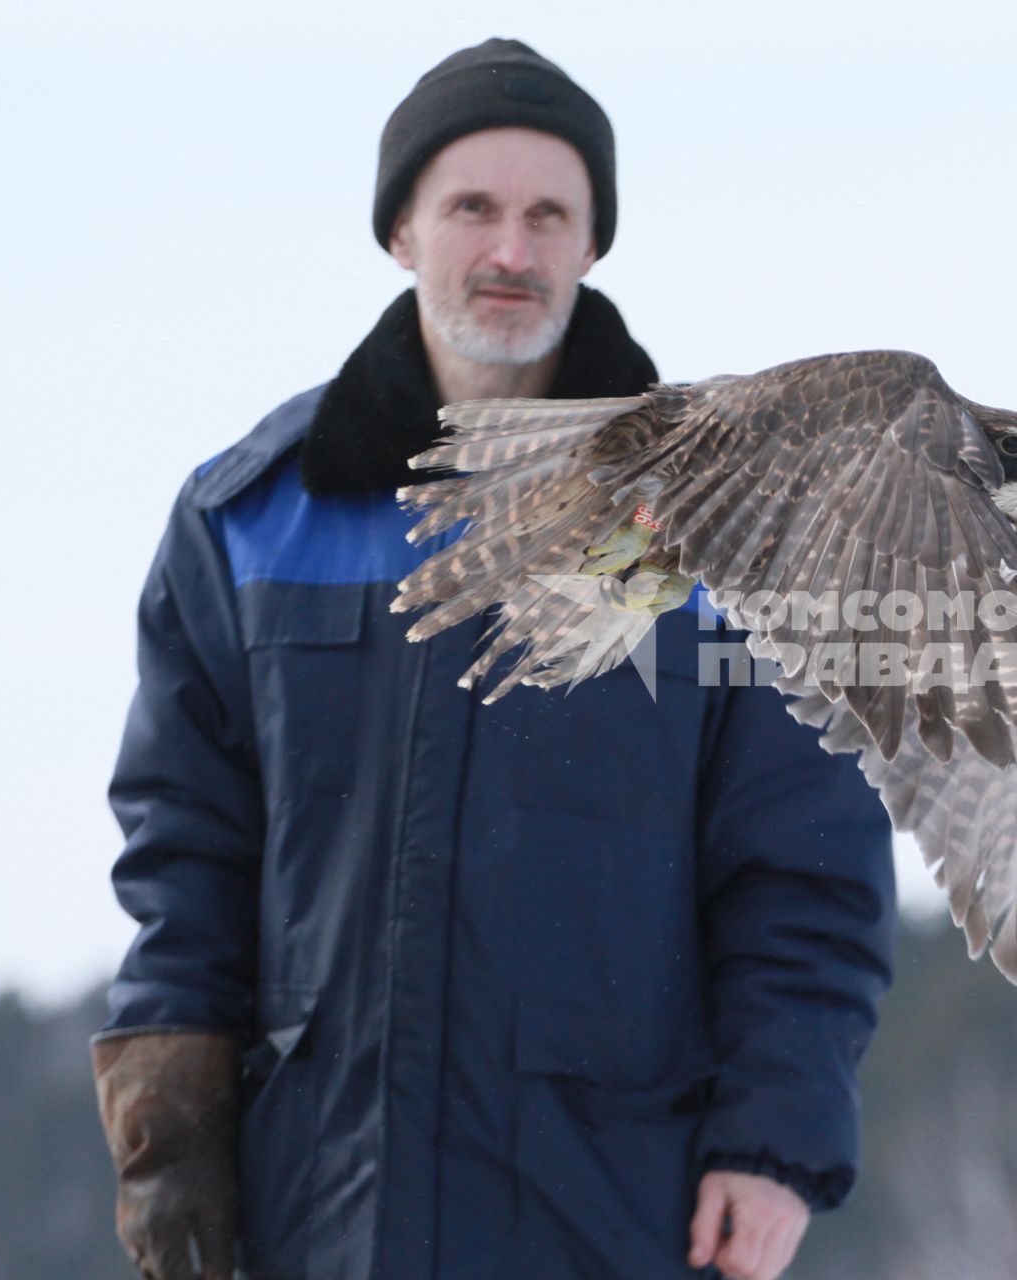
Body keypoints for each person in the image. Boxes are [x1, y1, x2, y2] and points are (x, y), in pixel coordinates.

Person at [90, 37, 896, 1280]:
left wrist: (778, 1139)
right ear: (402, 231)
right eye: (473, 207)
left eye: (547, 214)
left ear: (590, 244)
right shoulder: (248, 521)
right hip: (318, 1208)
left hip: (618, 1209)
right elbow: (186, 851)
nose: (510, 251)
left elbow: (809, 869)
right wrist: (168, 1121)